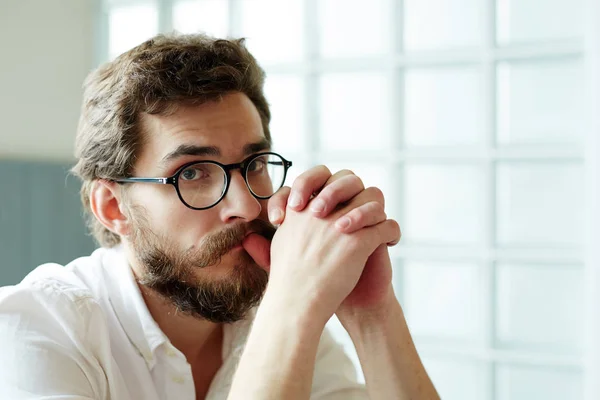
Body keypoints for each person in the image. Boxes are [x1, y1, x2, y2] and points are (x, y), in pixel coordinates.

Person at [0, 33, 439, 400]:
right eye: (192, 173)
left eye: (255, 164)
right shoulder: (34, 329)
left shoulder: (266, 317)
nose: (247, 206)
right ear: (114, 208)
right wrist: (291, 303)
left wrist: (371, 314)